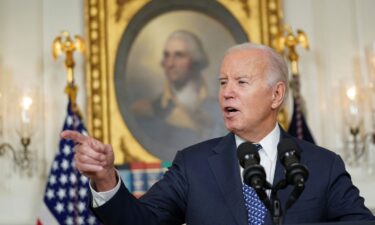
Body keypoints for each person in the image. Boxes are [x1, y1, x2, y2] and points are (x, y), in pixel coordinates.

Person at [62, 43, 375, 225]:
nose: (227, 93)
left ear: (276, 95)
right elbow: (139, 223)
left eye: (241, 82)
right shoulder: (193, 165)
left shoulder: (322, 165)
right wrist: (104, 177)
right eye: (223, 82)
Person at [130, 30, 225, 161]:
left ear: (196, 61)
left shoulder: (219, 107)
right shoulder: (148, 111)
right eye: (166, 56)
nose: (170, 64)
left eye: (179, 55)